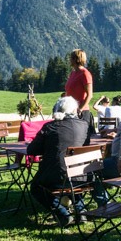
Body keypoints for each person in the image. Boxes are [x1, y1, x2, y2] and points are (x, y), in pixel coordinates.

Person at [27, 96, 90, 226]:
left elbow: (31, 150)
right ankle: (81, 211)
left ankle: (62, 213)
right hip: (82, 176)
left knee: (36, 188)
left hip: (56, 177)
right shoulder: (84, 125)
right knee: (73, 181)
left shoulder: (50, 127)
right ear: (74, 110)